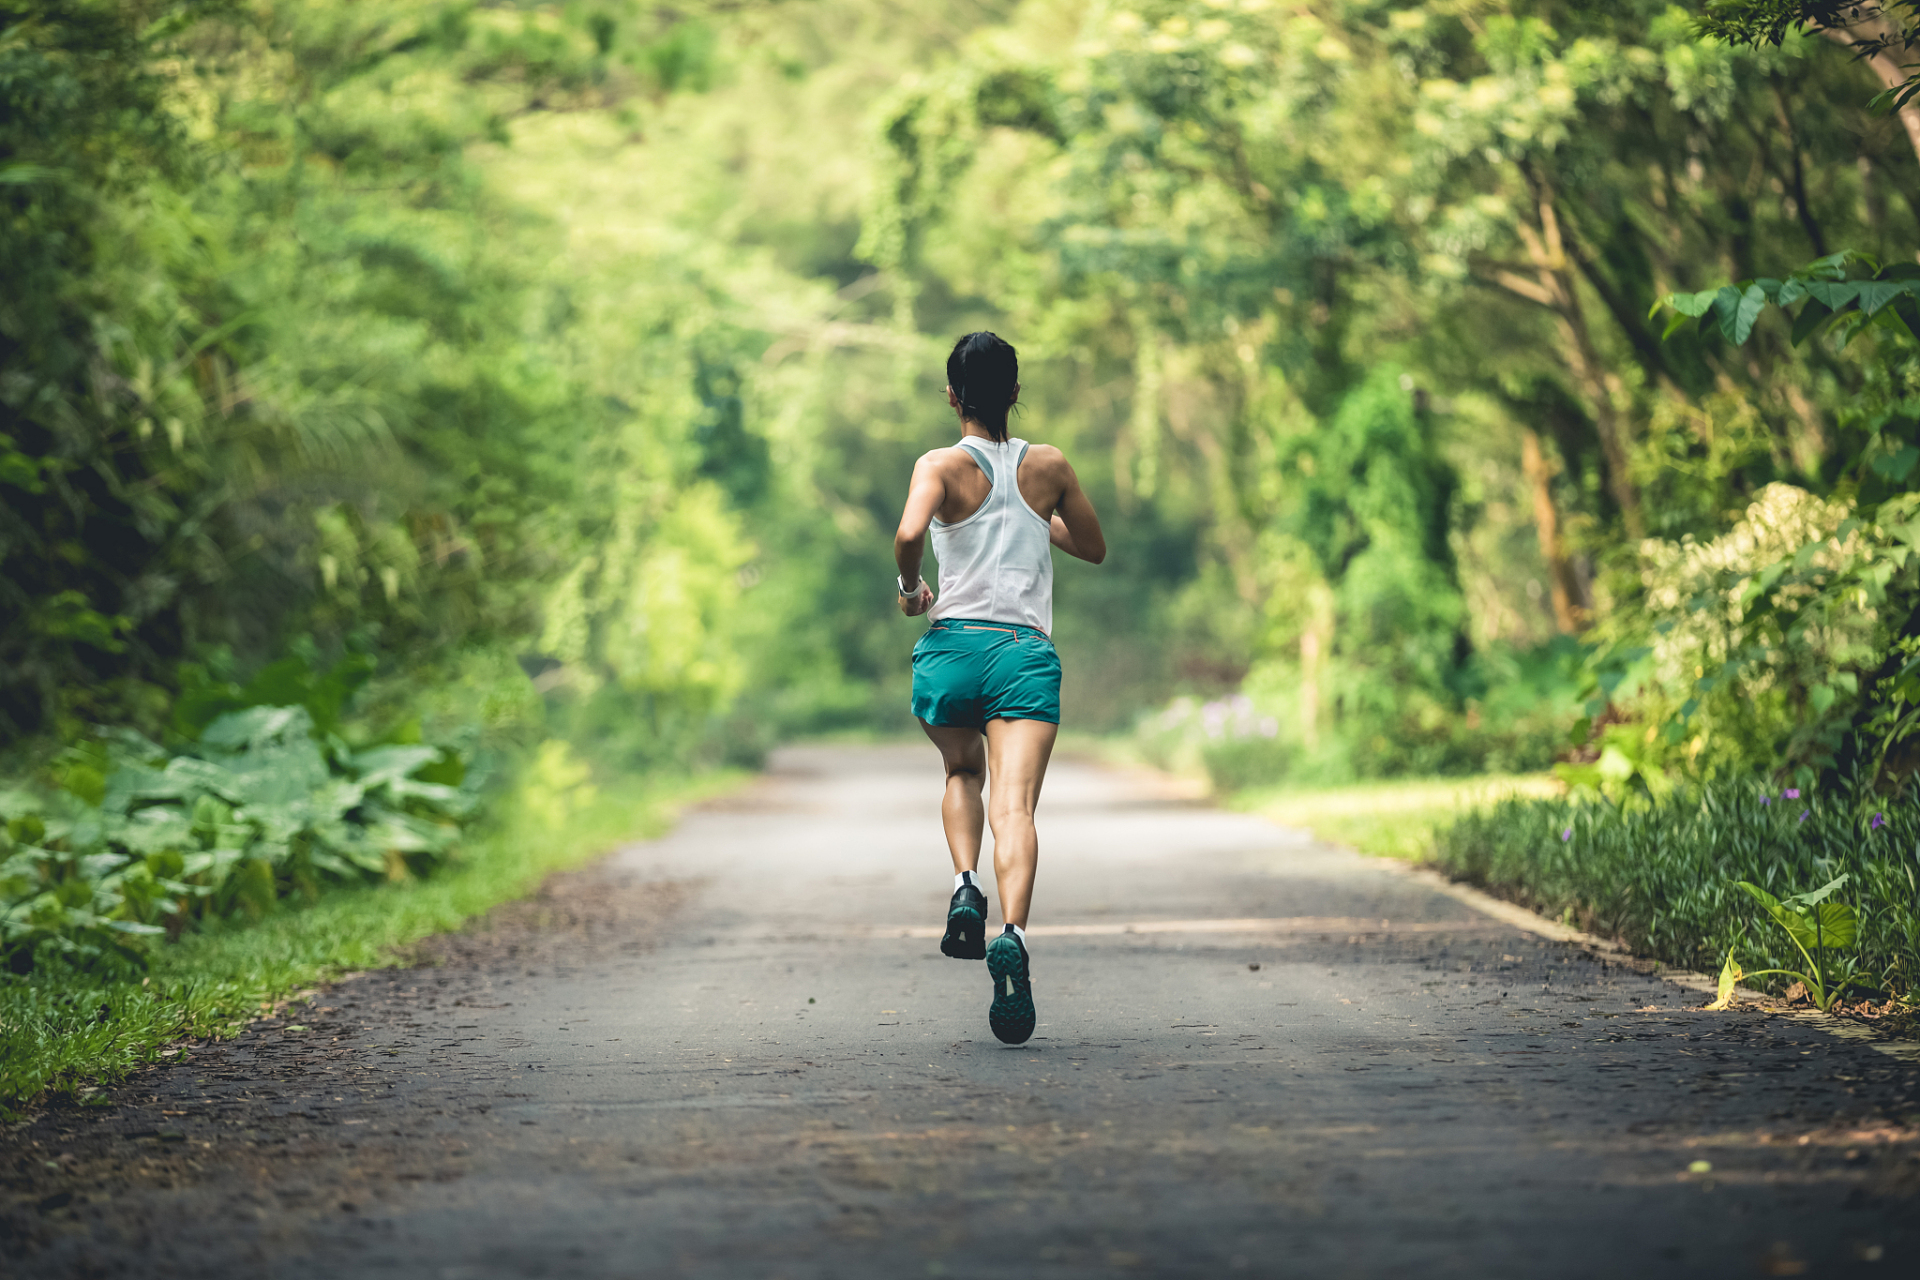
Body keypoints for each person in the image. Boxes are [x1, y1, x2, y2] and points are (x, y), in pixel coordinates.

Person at [891, 332, 1107, 1045]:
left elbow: (907, 533)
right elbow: (1093, 545)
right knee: (1016, 809)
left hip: (952, 650)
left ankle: (963, 886)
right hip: (1022, 654)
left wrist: (911, 587)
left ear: (952, 396)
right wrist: (1029, 518)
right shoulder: (1048, 466)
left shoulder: (940, 465)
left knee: (961, 771)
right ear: (1016, 391)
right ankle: (1010, 931)